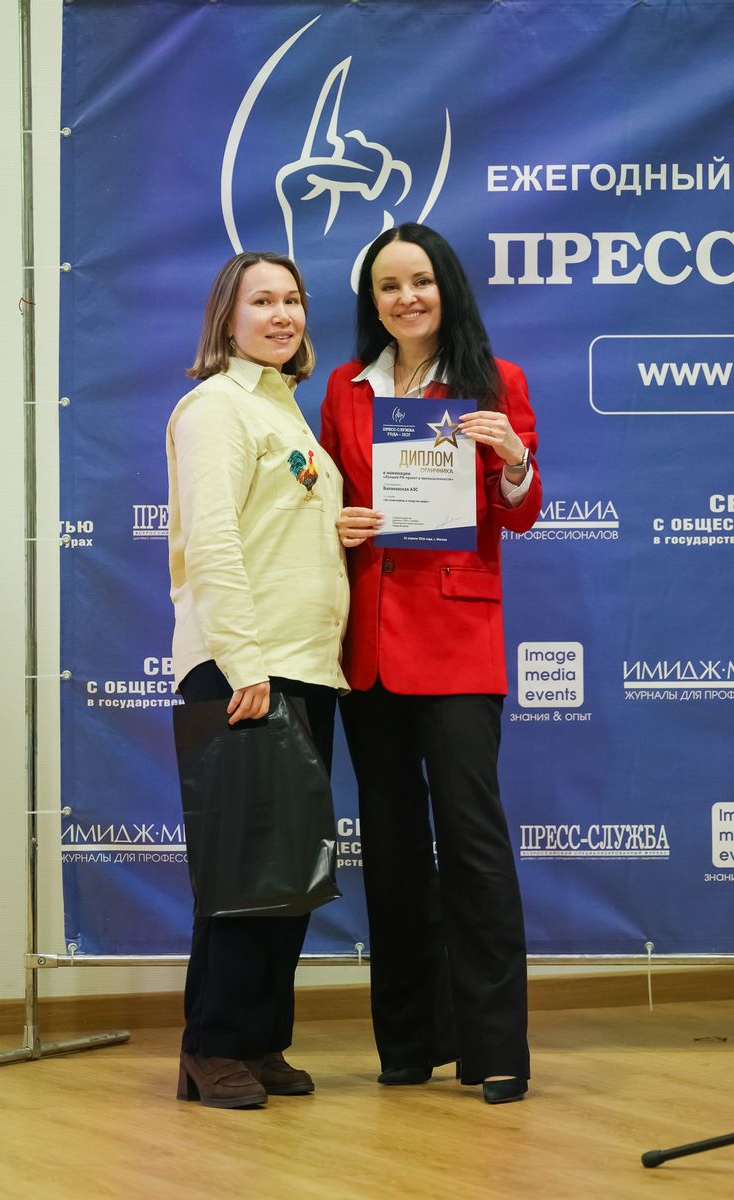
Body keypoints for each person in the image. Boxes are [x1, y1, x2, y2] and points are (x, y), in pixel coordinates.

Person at [319, 223, 541, 1104]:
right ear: (371, 302)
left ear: (447, 287)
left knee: (473, 845)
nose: (406, 298)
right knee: (392, 852)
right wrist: (334, 523)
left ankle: (496, 1049)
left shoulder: (496, 381)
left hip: (455, 642)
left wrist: (514, 460)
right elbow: (326, 497)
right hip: (368, 647)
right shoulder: (344, 387)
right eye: (388, 287)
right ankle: (410, 1042)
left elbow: (519, 512)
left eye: (420, 281)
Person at [166, 251, 349, 1109]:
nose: (282, 314)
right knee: (244, 870)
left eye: (293, 300)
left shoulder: (283, 409)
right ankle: (213, 1046)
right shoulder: (216, 407)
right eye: (263, 301)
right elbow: (212, 542)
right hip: (248, 667)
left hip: (304, 665)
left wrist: (340, 527)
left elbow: (274, 528)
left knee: (286, 871)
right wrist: (243, 663)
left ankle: (261, 1039)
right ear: (227, 319)